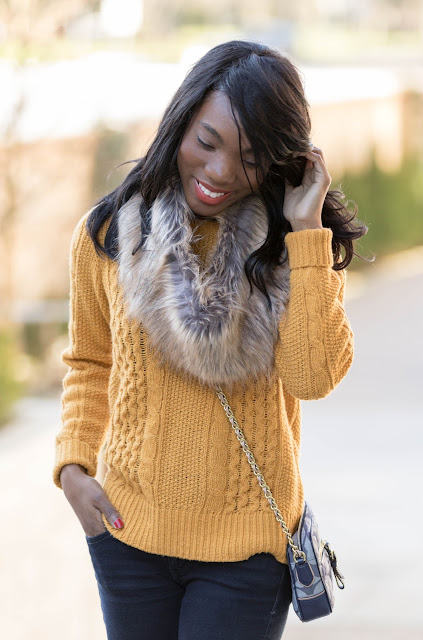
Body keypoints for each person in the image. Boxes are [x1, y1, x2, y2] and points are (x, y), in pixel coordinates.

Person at [53, 40, 367, 640]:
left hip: (246, 552)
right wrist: (73, 466)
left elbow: (312, 378)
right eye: (207, 141)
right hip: (127, 537)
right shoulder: (109, 236)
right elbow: (91, 361)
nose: (221, 172)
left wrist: (306, 230)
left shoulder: (297, 251)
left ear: (280, 161)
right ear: (180, 123)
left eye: (250, 158)